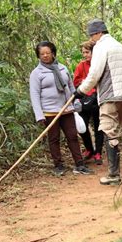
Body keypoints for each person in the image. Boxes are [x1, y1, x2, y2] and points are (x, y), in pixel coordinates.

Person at [75, 19, 122, 185]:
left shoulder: (101, 47)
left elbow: (94, 75)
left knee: (109, 130)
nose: (92, 39)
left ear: (97, 33)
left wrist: (80, 91)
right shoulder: (119, 46)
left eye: (92, 35)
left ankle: (114, 175)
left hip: (109, 94)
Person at [29, 41, 93, 176]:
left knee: (72, 136)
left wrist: (75, 101)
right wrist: (39, 115)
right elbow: (34, 94)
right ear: (38, 56)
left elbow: (70, 87)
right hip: (49, 111)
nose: (45, 56)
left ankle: (79, 165)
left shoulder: (62, 68)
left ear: (53, 53)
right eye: (42, 54)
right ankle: (58, 166)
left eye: (48, 53)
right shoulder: (36, 73)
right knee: (54, 138)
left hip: (66, 108)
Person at [73, 41, 104, 165]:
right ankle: (89, 149)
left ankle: (98, 152)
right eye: (83, 52)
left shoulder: (99, 64)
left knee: (99, 127)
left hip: (98, 99)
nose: (85, 55)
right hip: (85, 99)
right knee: (82, 126)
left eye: (87, 52)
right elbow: (75, 82)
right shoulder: (81, 65)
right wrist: (84, 82)